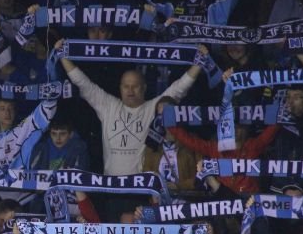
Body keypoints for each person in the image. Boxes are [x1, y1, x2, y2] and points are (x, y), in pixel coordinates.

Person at [54, 38, 206, 175]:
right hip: (111, 188)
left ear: (144, 88)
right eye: (126, 86)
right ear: (120, 88)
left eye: (135, 86)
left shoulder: (153, 107)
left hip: (140, 187)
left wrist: (199, 61)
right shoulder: (108, 105)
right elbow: (83, 84)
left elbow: (180, 88)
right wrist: (62, 55)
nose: (130, 90)